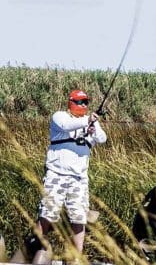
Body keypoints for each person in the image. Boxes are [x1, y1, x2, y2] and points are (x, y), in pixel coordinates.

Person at [34, 89, 107, 255]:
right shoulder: (60, 116)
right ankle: (37, 249)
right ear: (71, 102)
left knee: (79, 217)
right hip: (56, 174)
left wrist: (93, 129)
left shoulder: (92, 122)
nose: (83, 105)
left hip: (79, 178)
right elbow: (67, 126)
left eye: (86, 102)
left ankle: (76, 257)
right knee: (47, 213)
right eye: (80, 102)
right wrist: (87, 121)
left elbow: (103, 139)